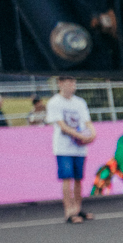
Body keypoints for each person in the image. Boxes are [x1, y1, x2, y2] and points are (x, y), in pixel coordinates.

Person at [46, 77, 96, 224]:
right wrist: (79, 135)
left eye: (74, 82)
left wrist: (92, 134)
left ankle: (78, 208)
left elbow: (87, 122)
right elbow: (62, 125)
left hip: (79, 149)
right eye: (69, 82)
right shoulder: (55, 102)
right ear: (60, 83)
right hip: (63, 148)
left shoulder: (80, 102)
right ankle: (69, 211)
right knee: (67, 179)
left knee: (79, 179)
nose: (72, 85)